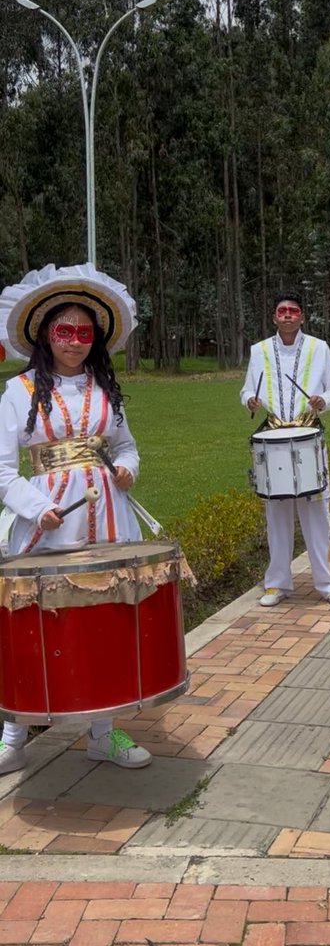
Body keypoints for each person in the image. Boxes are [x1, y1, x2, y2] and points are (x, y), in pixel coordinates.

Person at [0, 263, 153, 775]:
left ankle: (101, 733)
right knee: (32, 618)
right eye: (64, 331)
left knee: (104, 613)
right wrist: (32, 507)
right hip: (47, 518)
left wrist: (127, 469)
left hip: (108, 514)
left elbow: (126, 445)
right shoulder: (18, 392)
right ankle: (13, 733)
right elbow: (2, 469)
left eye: (84, 332)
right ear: (45, 334)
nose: (74, 342)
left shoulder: (105, 387)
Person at [240, 291, 330, 608]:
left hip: (308, 435)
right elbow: (246, 389)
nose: (287, 315)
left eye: (293, 311)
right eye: (281, 311)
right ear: (274, 317)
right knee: (277, 513)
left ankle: (327, 583)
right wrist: (250, 401)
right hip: (273, 436)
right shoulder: (259, 351)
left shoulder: (319, 348)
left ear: (302, 317)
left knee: (317, 513)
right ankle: (277, 583)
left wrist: (322, 401)